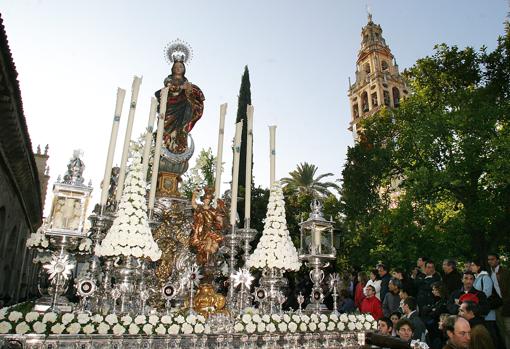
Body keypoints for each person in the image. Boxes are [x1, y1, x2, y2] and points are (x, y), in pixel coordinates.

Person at [155, 59, 205, 154]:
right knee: (165, 129)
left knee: (181, 129)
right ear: (172, 68)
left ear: (184, 69)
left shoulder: (186, 82)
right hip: (169, 108)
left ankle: (179, 149)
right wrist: (181, 87)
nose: (178, 69)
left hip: (182, 109)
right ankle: (165, 148)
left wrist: (190, 91)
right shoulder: (169, 79)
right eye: (176, 67)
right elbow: (169, 87)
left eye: (181, 67)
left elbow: (190, 96)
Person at [190, 187, 226, 266]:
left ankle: (209, 260)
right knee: (205, 244)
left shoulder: (213, 210)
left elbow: (219, 219)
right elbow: (193, 204)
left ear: (210, 201)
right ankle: (205, 260)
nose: (207, 201)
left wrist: (221, 211)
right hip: (202, 229)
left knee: (213, 244)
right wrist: (194, 195)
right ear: (203, 200)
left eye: (208, 200)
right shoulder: (200, 208)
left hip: (211, 230)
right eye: (205, 199)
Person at [471, 259, 502, 348]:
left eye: (473, 265)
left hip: (488, 313)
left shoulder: (485, 277)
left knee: (491, 335)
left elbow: (486, 293)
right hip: (482, 312)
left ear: (479, 267)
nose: (471, 267)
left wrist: (473, 298)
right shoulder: (477, 277)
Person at [487, 252, 510, 349]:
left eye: (492, 259)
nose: (490, 261)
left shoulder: (505, 272)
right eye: (489, 260)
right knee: (502, 331)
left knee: (508, 330)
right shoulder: (489, 273)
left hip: (507, 305)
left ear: (497, 260)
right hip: (497, 306)